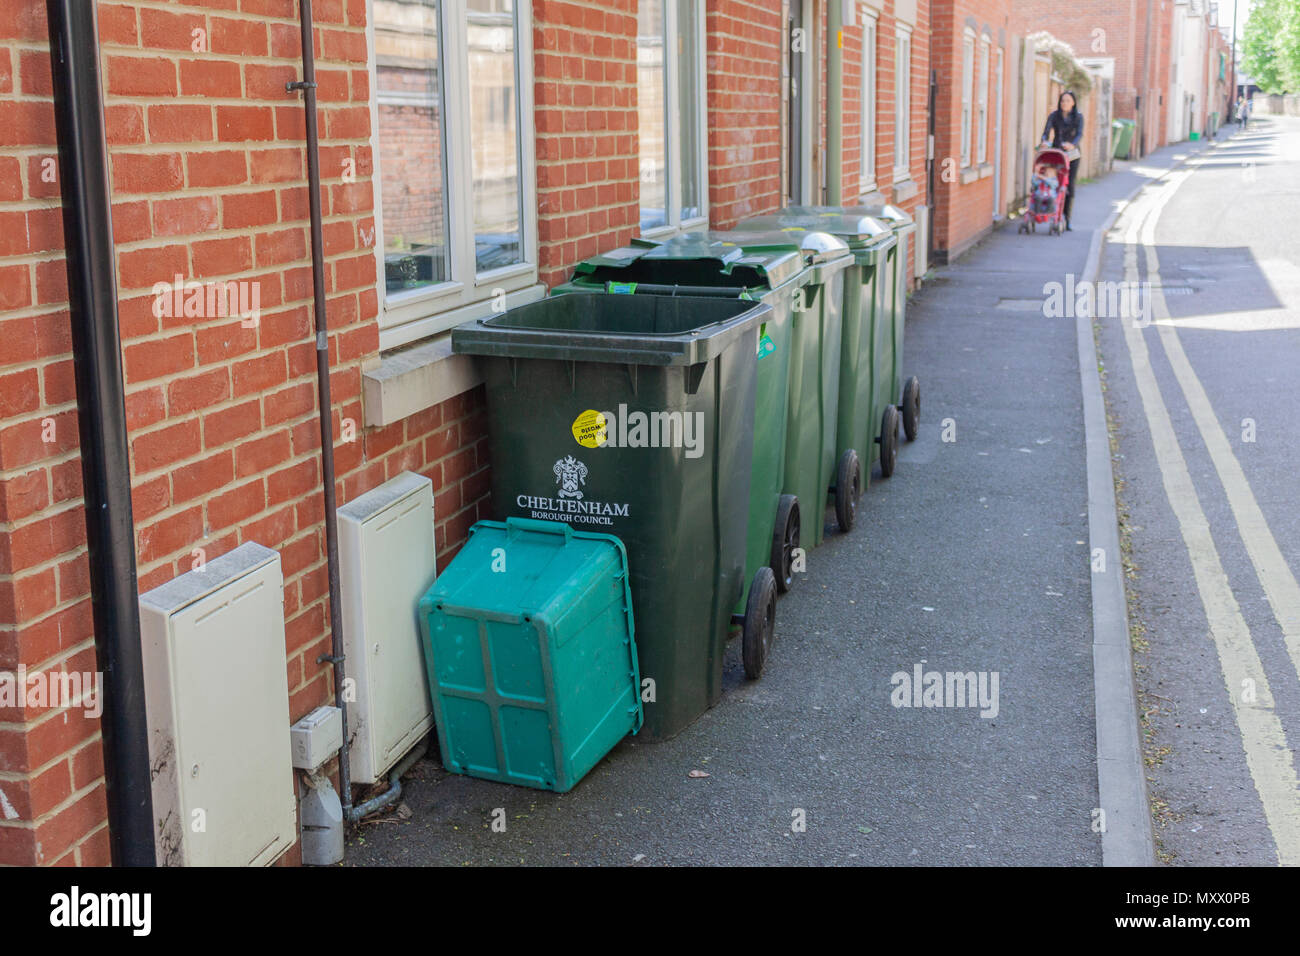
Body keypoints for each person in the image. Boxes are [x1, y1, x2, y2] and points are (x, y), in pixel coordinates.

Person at [1041, 91, 1083, 230]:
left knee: (1069, 186)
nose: (1064, 103)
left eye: (1068, 100)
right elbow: (1046, 132)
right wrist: (1044, 141)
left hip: (1072, 154)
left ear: (1073, 103)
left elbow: (1079, 134)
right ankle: (1053, 213)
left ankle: (1067, 217)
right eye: (1062, 100)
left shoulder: (1078, 117)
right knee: (1054, 183)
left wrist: (1072, 144)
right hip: (1057, 153)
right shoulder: (1054, 116)